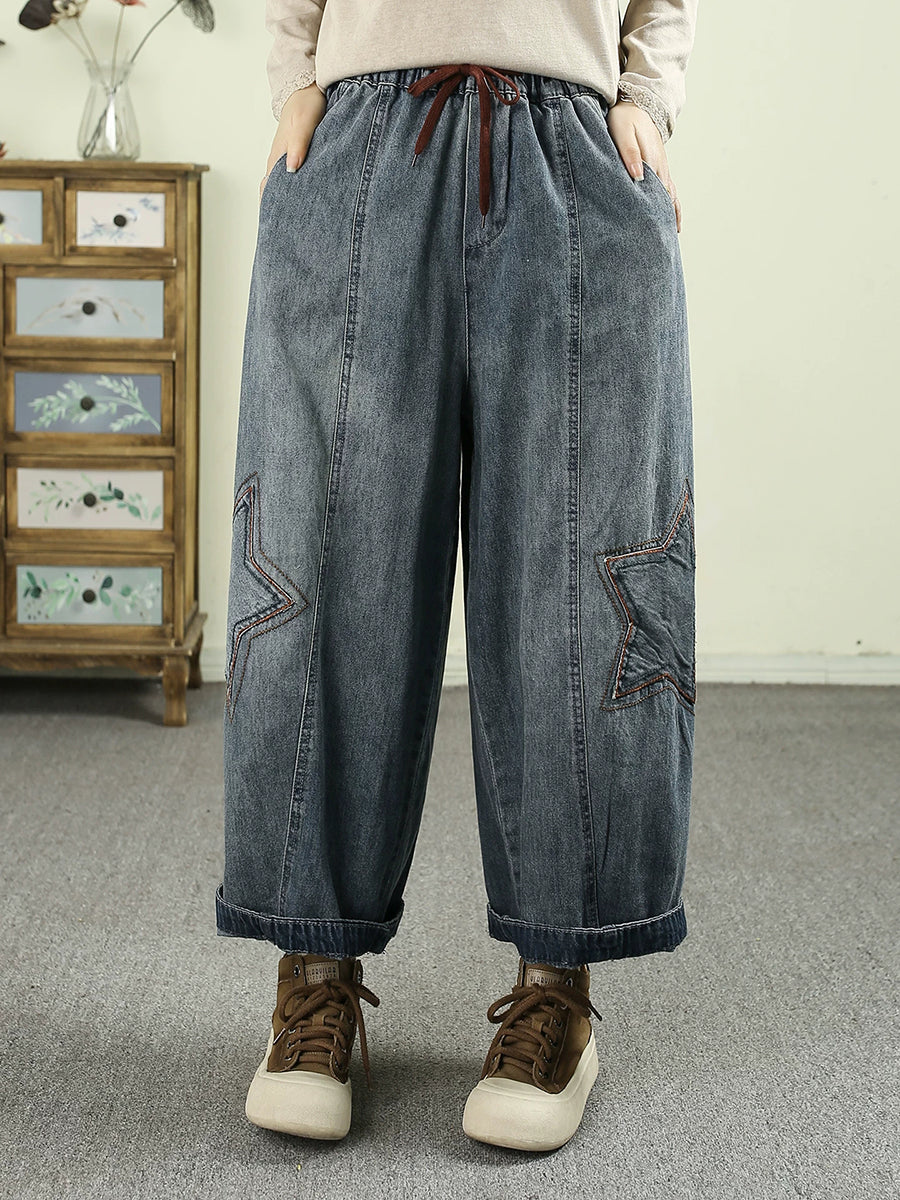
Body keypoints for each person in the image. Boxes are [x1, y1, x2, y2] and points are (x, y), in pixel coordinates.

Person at [217, 0, 699, 1153]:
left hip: (575, 149)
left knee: (578, 583)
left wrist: (645, 97)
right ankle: (313, 976)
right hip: (363, 145)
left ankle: (557, 989)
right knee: (321, 565)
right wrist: (296, 83)